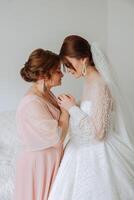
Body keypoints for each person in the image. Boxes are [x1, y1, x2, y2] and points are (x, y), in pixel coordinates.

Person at [48, 35, 134, 200]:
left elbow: (99, 133)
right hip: (78, 148)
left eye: (69, 65)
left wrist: (72, 108)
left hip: (98, 153)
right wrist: (75, 105)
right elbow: (92, 113)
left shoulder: (100, 85)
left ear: (84, 59)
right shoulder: (89, 81)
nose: (69, 71)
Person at [14, 49, 69, 200]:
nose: (62, 74)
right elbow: (57, 135)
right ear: (44, 74)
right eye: (58, 70)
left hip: (50, 161)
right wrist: (66, 111)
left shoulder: (47, 93)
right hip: (38, 166)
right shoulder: (31, 102)